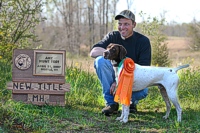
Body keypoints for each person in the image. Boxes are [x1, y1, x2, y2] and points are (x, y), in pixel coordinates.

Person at [90, 10, 151, 116]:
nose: (122, 27)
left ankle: (130, 102)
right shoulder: (112, 36)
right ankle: (111, 104)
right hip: (115, 75)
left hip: (133, 79)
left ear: (134, 24)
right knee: (100, 61)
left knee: (143, 91)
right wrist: (109, 53)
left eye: (126, 24)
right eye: (120, 24)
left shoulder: (143, 41)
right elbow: (93, 52)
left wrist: (119, 83)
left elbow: (144, 69)